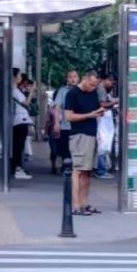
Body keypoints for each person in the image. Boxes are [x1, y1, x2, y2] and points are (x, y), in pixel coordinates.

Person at [64, 70, 105, 216]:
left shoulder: (92, 93)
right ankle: (76, 205)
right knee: (78, 170)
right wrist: (90, 115)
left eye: (95, 85)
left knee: (87, 171)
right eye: (92, 84)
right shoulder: (72, 94)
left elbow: (95, 110)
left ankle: (84, 203)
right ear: (85, 79)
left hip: (92, 134)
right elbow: (68, 116)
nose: (93, 88)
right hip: (79, 136)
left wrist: (100, 111)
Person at [50, 70, 79, 174]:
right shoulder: (62, 91)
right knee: (66, 149)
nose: (72, 79)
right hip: (66, 126)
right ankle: (66, 167)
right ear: (67, 79)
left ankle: (75, 168)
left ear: (78, 78)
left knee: (77, 149)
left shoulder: (82, 90)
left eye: (75, 76)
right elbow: (57, 107)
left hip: (79, 125)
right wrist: (57, 123)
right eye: (70, 77)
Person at [10, 69, 34, 180]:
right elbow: (26, 103)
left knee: (18, 146)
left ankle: (16, 168)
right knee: (18, 146)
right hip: (20, 120)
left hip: (20, 120)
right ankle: (17, 168)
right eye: (19, 75)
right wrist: (32, 91)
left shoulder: (16, 90)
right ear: (14, 77)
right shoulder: (14, 91)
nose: (21, 77)